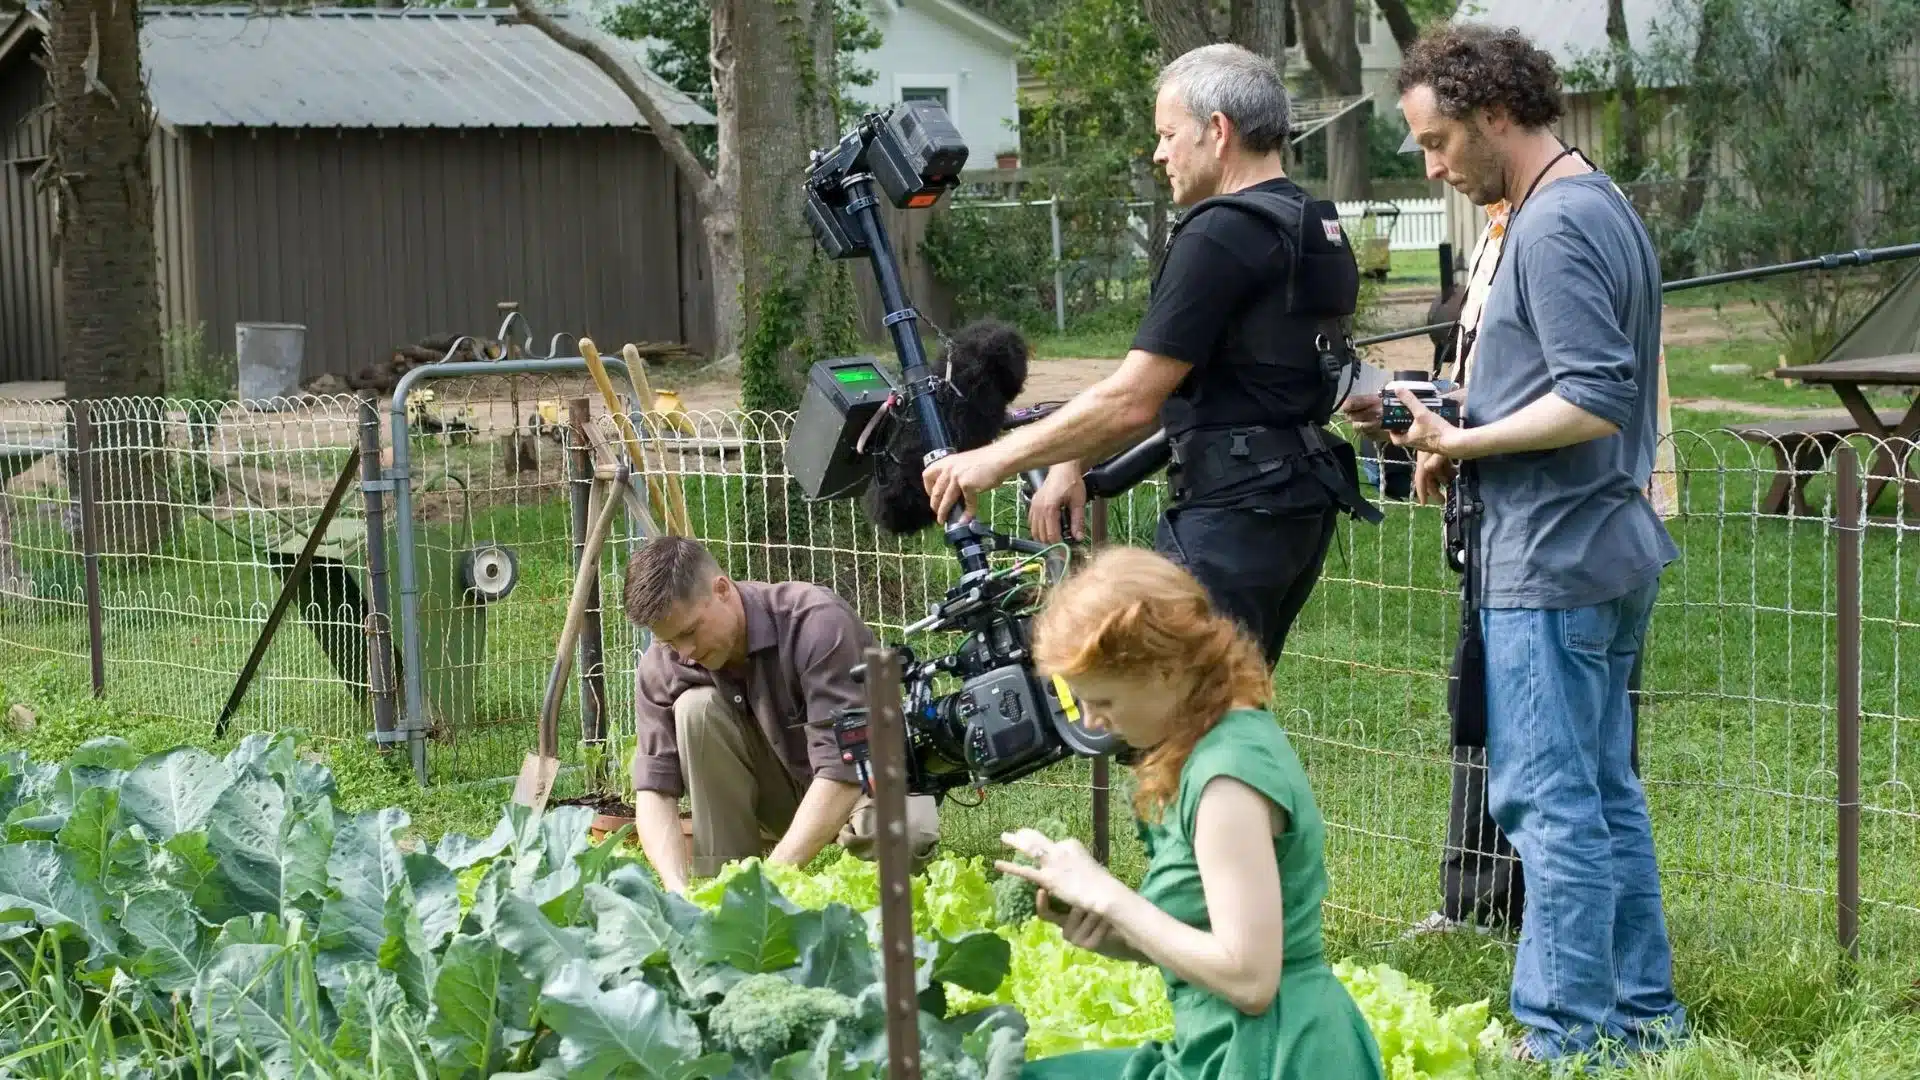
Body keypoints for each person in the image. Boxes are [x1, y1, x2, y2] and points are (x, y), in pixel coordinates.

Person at [1346, 23, 1686, 1064]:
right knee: (1601, 793)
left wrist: (1465, 438)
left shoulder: (1555, 225)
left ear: (1496, 110)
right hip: (1596, 544)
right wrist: (1449, 421)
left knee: (1549, 805)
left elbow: (1594, 395)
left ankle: (1563, 1034)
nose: (1433, 164)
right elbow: (1564, 381)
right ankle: (1643, 1018)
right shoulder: (1590, 200)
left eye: (1440, 140)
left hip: (1557, 558)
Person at [920, 42, 1379, 671]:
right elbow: (1196, 376)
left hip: (1231, 509)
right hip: (1292, 500)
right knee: (1230, 704)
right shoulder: (1302, 218)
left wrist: (992, 460)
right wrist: (1070, 460)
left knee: (1180, 713)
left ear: (1217, 132)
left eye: (1167, 134)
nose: (1159, 153)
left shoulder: (1219, 231)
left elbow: (1134, 399)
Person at [1000, 545, 1384, 1080]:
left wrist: (1106, 894)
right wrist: (1105, 927)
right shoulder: (1212, 737)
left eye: (1104, 700)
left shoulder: (1227, 777)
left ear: (1163, 671)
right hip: (1222, 1044)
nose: (1092, 720)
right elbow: (1200, 935)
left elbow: (1250, 980)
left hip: (1273, 1055)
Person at [622, 535, 938, 895]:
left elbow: (845, 770)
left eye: (690, 632)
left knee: (906, 834)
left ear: (722, 589)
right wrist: (675, 888)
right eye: (669, 642)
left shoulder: (816, 622)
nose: (686, 653)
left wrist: (769, 882)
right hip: (778, 794)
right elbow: (654, 790)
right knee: (695, 710)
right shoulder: (664, 665)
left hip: (866, 782)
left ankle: (751, 891)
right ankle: (723, 884)